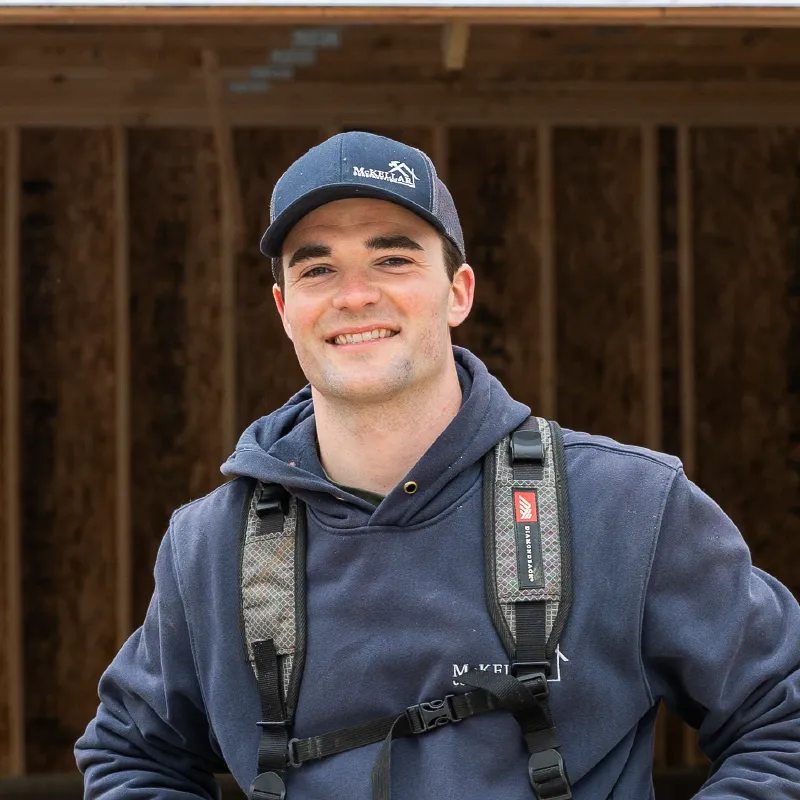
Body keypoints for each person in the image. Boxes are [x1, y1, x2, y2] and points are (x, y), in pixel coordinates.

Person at [76, 132, 800, 799]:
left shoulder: (627, 507)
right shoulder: (209, 549)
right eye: (318, 267)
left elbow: (782, 715)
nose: (355, 294)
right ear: (284, 307)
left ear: (459, 292)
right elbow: (133, 755)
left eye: (393, 258)